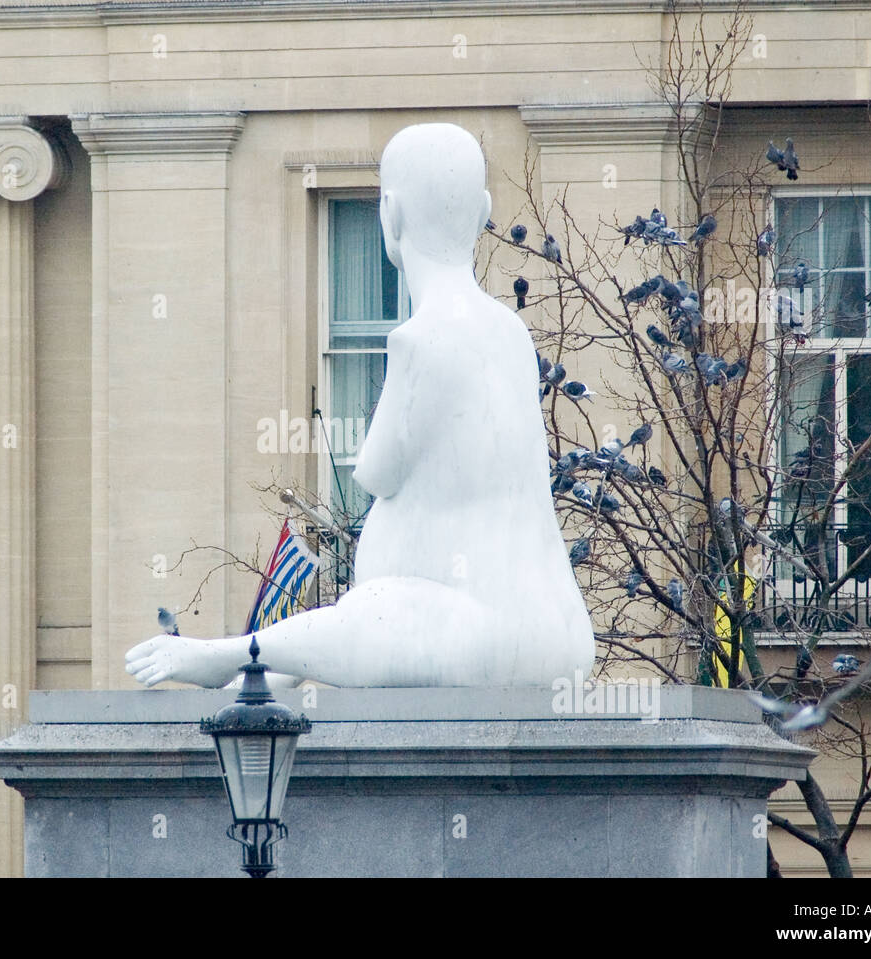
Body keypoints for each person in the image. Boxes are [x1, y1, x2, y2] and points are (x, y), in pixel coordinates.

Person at [126, 122, 594, 688]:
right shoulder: (509, 332)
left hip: (478, 635)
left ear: (389, 215)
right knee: (367, 620)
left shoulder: (421, 338)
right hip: (558, 634)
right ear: (483, 212)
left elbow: (376, 470)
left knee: (373, 613)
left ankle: (237, 652)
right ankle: (266, 673)